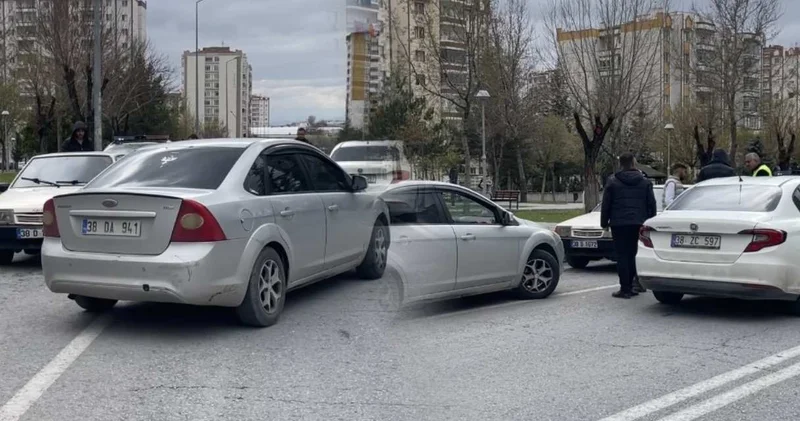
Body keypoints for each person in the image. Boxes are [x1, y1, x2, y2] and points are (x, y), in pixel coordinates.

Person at [600, 153, 657, 299]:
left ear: (620, 164)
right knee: (633, 254)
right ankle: (633, 284)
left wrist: (604, 222)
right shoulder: (645, 182)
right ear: (634, 163)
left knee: (621, 255)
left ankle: (624, 288)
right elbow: (651, 204)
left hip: (619, 224)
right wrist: (650, 222)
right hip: (638, 222)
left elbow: (606, 204)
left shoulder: (612, 182)